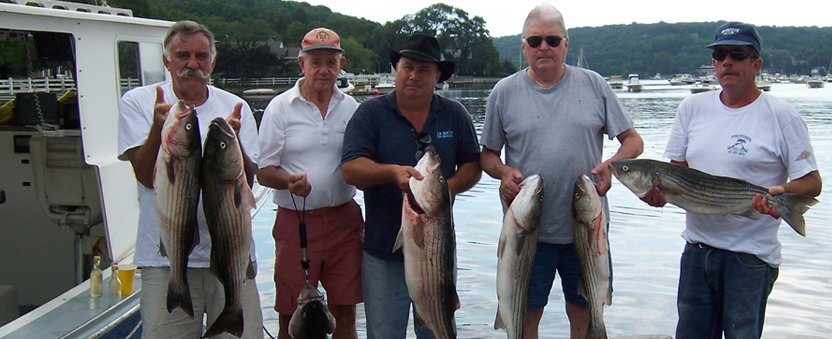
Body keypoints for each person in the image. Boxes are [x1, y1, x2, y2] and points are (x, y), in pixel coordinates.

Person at [642, 22, 822, 338]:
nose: (727, 62)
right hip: (697, 252)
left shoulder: (782, 114)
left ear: (756, 64)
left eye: (737, 55)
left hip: (750, 258)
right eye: (720, 55)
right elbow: (675, 174)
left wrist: (781, 193)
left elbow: (811, 182)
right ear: (713, 64)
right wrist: (658, 195)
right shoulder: (691, 107)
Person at [479, 3, 645, 339]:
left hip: (586, 230)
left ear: (566, 44)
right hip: (527, 233)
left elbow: (634, 141)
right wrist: (502, 172)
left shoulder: (594, 85)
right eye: (535, 40)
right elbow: (487, 156)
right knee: (525, 318)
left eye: (552, 40)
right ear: (523, 45)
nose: (544, 47)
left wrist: (611, 165)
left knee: (584, 316)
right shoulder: (503, 93)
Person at [116, 20, 262, 339]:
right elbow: (144, 176)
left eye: (201, 55)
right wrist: (158, 128)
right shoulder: (139, 102)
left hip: (232, 255)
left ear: (213, 60)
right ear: (166, 60)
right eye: (182, 55)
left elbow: (247, 183)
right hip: (165, 260)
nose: (192, 64)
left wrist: (235, 143)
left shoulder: (235, 107)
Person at [340, 34, 481, 339]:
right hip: (382, 255)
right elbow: (350, 169)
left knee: (437, 330)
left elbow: (473, 165)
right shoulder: (370, 113)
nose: (414, 76)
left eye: (424, 70)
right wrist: (391, 172)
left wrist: (444, 189)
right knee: (384, 333)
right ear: (396, 68)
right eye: (408, 67)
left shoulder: (456, 115)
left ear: (438, 76)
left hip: (438, 252)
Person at [256, 28, 363, 339]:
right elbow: (264, 171)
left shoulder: (351, 107)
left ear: (341, 65)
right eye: (316, 62)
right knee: (291, 315)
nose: (324, 70)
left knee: (345, 310)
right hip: (294, 222)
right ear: (301, 64)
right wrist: (287, 181)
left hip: (345, 220)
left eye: (331, 62)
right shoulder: (280, 107)